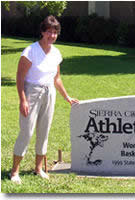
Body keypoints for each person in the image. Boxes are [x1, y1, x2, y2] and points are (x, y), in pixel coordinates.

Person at [10, 15, 79, 184]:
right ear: (42, 32)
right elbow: (20, 77)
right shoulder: (30, 51)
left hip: (49, 94)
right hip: (31, 93)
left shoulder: (56, 53)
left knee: (44, 132)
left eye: (55, 32)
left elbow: (57, 79)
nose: (52, 35)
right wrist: (23, 100)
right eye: (49, 32)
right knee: (26, 132)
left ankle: (38, 168)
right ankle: (14, 172)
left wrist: (67, 97)